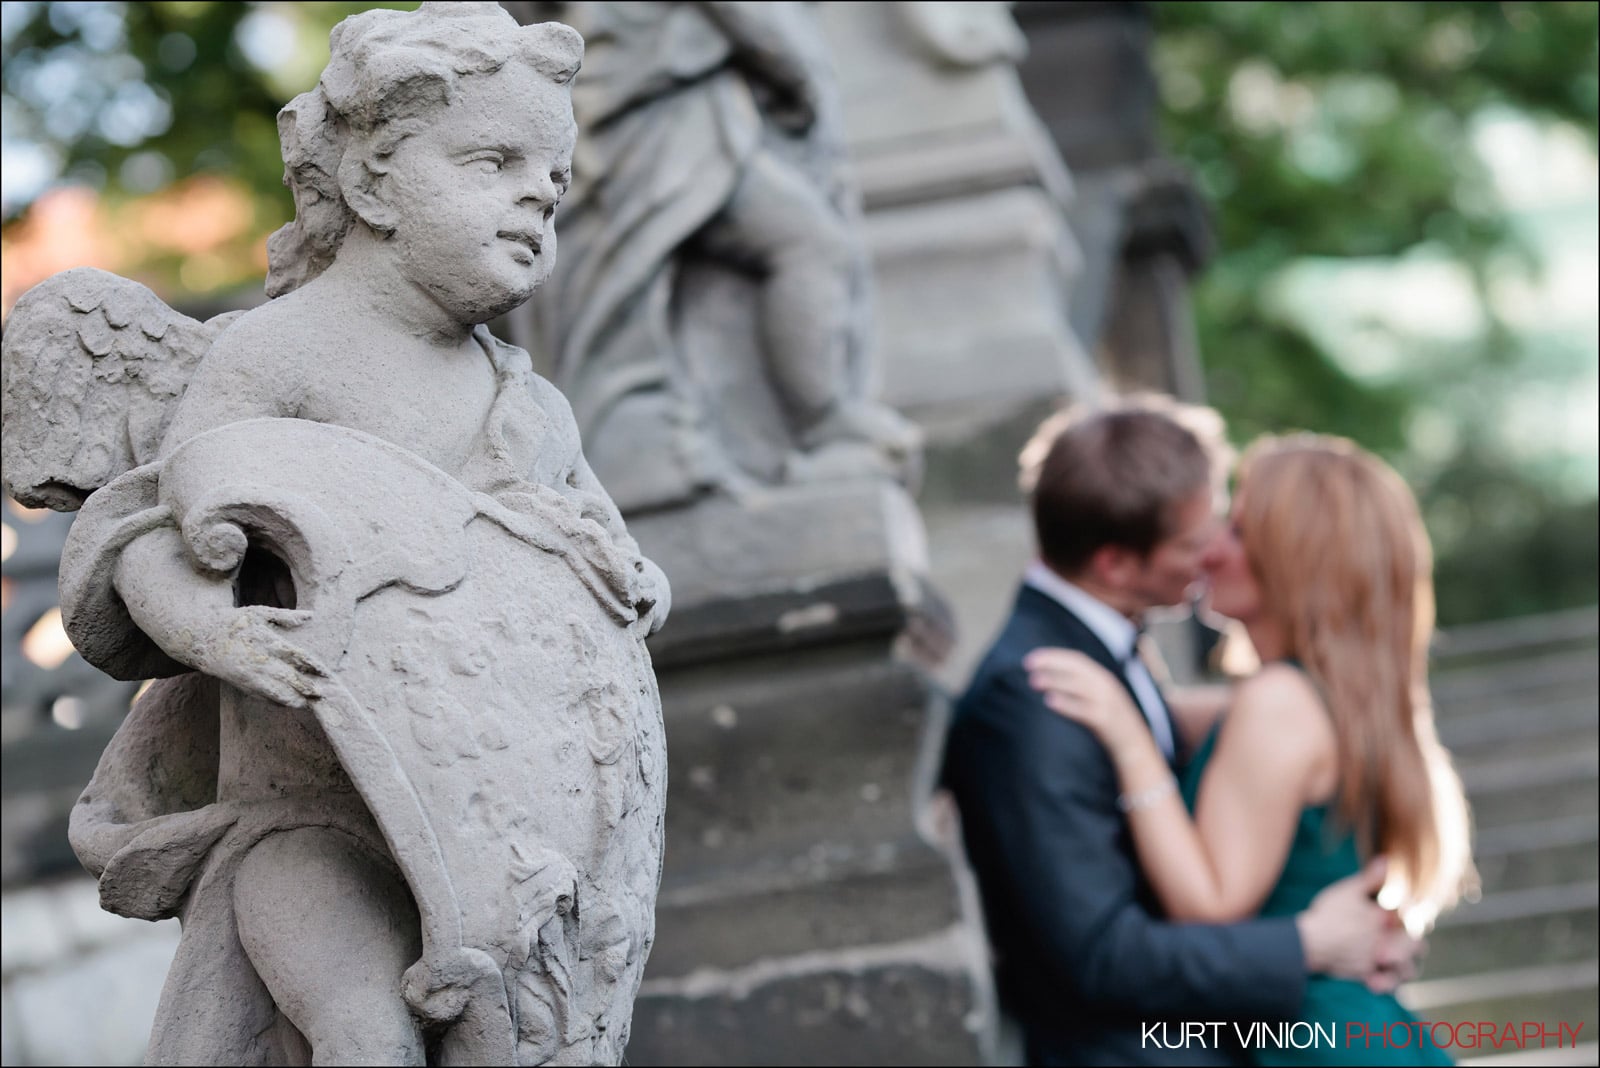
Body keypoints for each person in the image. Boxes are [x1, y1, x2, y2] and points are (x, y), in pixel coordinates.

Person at [57, 6, 668, 1064]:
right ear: (374, 182)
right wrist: (220, 637)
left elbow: (612, 587)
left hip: (496, 852)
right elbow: (159, 536)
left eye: (553, 182)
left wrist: (625, 577)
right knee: (360, 1035)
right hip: (313, 817)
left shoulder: (529, 409)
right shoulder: (280, 355)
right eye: (495, 160)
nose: (537, 193)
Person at [940, 399, 1420, 1067]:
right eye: (1198, 540)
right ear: (1115, 565)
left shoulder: (1133, 675)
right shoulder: (1040, 697)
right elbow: (1101, 954)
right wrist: (1309, 941)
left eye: (1233, 530)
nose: (1214, 551)